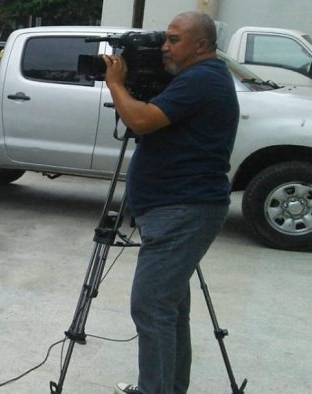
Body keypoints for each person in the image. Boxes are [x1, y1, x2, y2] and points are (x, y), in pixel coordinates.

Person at [103, 11, 239, 394]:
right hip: (180, 209)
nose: (165, 46)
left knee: (151, 307)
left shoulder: (201, 79)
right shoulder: (198, 78)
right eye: (165, 38)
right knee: (171, 309)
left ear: (201, 44)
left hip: (182, 211)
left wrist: (116, 84)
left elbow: (141, 121)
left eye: (174, 39)